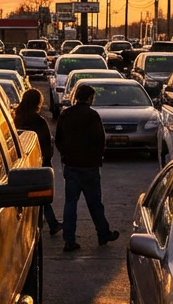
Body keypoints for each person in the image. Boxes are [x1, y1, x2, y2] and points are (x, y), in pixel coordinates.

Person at [53, 83, 120, 252]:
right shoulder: (92, 116)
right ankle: (103, 234)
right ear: (89, 98)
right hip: (89, 167)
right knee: (95, 203)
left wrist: (66, 155)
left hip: (71, 166)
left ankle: (69, 239)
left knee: (70, 204)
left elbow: (58, 139)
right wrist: (98, 158)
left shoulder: (66, 115)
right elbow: (100, 140)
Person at [13, 88, 62, 236]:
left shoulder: (16, 118)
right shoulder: (39, 121)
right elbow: (47, 143)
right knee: (41, 195)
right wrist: (47, 161)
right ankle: (50, 223)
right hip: (39, 162)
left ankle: (48, 223)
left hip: (20, 163)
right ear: (38, 103)